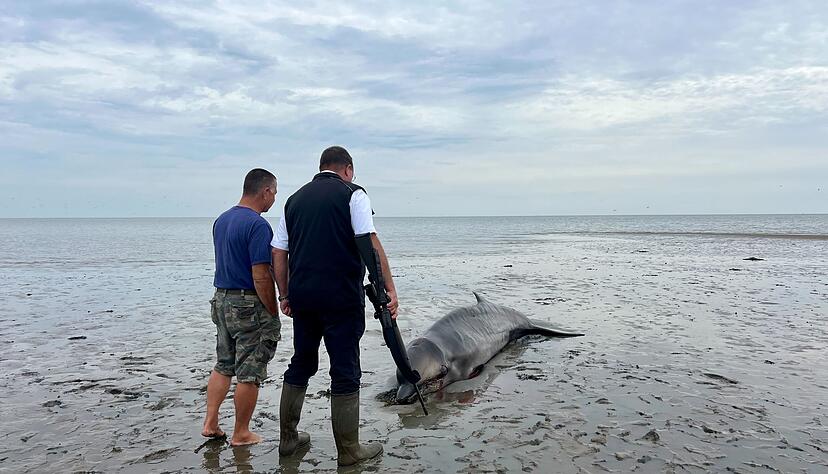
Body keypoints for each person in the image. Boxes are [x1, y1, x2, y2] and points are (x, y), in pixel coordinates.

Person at [271, 146, 398, 466]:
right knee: (344, 368)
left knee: (301, 361)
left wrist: (285, 295)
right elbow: (367, 241)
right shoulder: (353, 194)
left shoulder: (294, 200)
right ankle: (349, 450)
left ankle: (288, 441)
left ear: (321, 168)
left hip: (304, 296)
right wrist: (387, 289)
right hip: (341, 295)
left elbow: (278, 253)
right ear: (348, 169)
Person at [202, 168, 282, 446]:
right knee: (249, 371)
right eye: (274, 193)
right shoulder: (258, 225)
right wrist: (272, 308)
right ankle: (241, 432)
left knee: (224, 364)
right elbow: (260, 274)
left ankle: (210, 422)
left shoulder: (221, 220)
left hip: (221, 298)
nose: (274, 199)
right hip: (247, 302)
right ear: (266, 191)